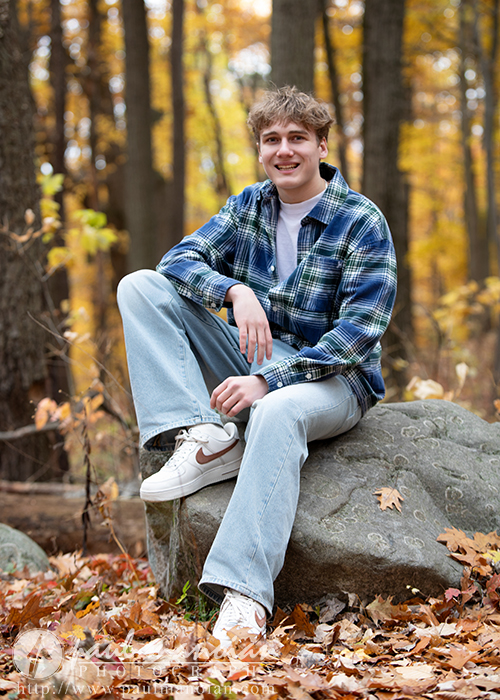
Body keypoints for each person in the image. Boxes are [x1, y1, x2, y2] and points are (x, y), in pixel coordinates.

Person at [117, 86, 397, 649]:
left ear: (321, 145)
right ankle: (202, 434)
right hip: (255, 355)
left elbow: (359, 334)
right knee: (140, 286)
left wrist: (268, 380)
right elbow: (177, 262)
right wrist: (235, 291)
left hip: (332, 379)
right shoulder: (249, 205)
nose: (284, 151)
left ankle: (243, 593)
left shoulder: (361, 220)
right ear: (261, 149)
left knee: (273, 412)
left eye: (298, 138)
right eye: (272, 140)